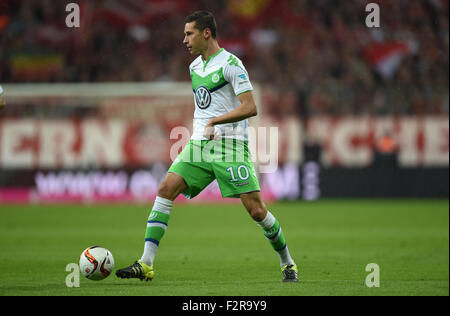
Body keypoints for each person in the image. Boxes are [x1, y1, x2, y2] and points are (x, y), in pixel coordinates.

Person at [116, 11, 298, 283]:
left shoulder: (231, 64)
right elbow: (205, 106)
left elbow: (251, 107)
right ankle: (146, 263)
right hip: (200, 145)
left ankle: (288, 263)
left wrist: (216, 120)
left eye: (189, 33)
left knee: (257, 210)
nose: (184, 40)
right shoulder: (194, 68)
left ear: (206, 33)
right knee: (166, 188)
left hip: (232, 147)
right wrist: (205, 126)